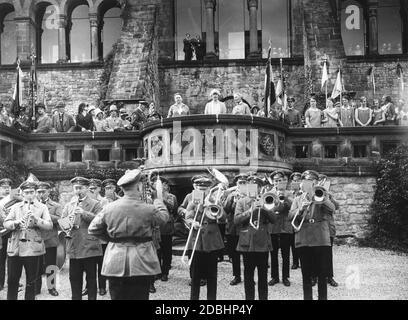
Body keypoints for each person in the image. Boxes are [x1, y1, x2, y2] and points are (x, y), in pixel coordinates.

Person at [88, 169, 169, 300]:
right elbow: (164, 218)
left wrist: (113, 239)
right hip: (142, 261)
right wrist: (158, 200)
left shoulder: (109, 207)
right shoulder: (148, 208)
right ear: (138, 186)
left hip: (114, 260)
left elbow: (93, 229)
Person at [288, 170, 336, 300]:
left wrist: (322, 196)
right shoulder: (298, 199)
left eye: (312, 181)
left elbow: (333, 208)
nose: (309, 184)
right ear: (302, 183)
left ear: (316, 182)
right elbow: (290, 216)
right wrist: (301, 209)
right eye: (306, 181)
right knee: (306, 275)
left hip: (321, 239)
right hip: (304, 239)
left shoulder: (324, 196)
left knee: (322, 274)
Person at [4, 180, 53, 300]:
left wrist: (36, 219)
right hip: (15, 247)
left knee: (32, 280)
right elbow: (6, 223)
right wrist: (16, 222)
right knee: (12, 279)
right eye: (27, 192)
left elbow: (49, 225)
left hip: (33, 248)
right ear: (22, 193)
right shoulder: (15, 207)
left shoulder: (42, 207)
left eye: (32, 192)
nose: (30, 195)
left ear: (35, 193)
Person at [234, 174, 277, 300]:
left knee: (263, 276)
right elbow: (236, 220)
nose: (254, 189)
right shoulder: (241, 202)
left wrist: (265, 208)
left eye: (257, 187)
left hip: (262, 243)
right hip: (247, 243)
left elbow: (274, 219)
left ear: (260, 189)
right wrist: (250, 211)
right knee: (248, 276)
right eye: (251, 186)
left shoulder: (266, 200)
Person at [61, 177, 103, 300]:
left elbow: (100, 221)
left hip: (89, 246)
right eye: (76, 188)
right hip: (74, 246)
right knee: (74, 278)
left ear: (86, 188)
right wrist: (70, 218)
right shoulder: (69, 205)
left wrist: (84, 212)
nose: (78, 190)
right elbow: (63, 225)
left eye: (81, 188)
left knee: (91, 278)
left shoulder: (95, 203)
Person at [184, 175, 225, 300]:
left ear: (209, 189)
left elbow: (223, 219)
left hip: (212, 242)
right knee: (195, 277)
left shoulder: (215, 200)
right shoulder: (193, 201)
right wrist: (192, 223)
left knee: (212, 276)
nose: (202, 191)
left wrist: (211, 204)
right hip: (197, 242)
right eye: (200, 188)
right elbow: (188, 217)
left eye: (205, 189)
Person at [81, 178, 108, 296]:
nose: (91, 190)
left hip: (101, 239)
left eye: (94, 188)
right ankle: (88, 286)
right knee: (89, 265)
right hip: (88, 238)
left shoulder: (104, 201)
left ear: (99, 189)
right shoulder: (85, 201)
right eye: (90, 188)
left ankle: (102, 287)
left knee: (101, 264)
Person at [35, 182, 62, 296]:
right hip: (36, 240)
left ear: (48, 191)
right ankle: (36, 288)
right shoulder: (33, 204)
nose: (41, 194)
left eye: (43, 191)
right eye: (39, 192)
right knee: (36, 265)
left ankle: (51, 288)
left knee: (51, 265)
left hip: (50, 240)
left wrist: (45, 213)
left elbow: (61, 221)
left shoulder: (56, 206)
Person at [268, 171, 293, 287]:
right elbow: (269, 209)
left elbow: (292, 207)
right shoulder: (269, 193)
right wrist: (277, 200)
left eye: (280, 180)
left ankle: (285, 277)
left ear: (283, 181)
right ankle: (274, 277)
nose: (278, 182)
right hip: (273, 228)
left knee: (286, 254)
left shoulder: (289, 193)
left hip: (285, 227)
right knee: (273, 255)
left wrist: (284, 198)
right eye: (276, 180)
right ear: (273, 182)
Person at [223, 173, 247, 286]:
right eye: (240, 183)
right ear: (236, 184)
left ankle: (248, 276)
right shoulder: (231, 194)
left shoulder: (250, 195)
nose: (242, 184)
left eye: (244, 183)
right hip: (233, 229)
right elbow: (225, 210)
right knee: (234, 255)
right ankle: (237, 276)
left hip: (245, 228)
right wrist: (233, 202)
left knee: (247, 254)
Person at [152, 175, 177, 282]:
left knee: (166, 251)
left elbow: (173, 208)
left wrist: (161, 199)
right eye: (155, 184)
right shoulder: (152, 196)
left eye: (160, 184)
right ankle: (157, 272)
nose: (157, 185)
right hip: (155, 227)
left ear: (165, 186)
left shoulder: (171, 196)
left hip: (166, 227)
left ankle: (165, 272)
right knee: (157, 250)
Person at [289, 172, 302, 269]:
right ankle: (295, 261)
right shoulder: (289, 193)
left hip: (300, 220)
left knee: (300, 242)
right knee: (293, 243)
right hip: (290, 221)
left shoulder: (303, 193)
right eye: (294, 180)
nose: (296, 182)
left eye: (298, 180)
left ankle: (302, 260)